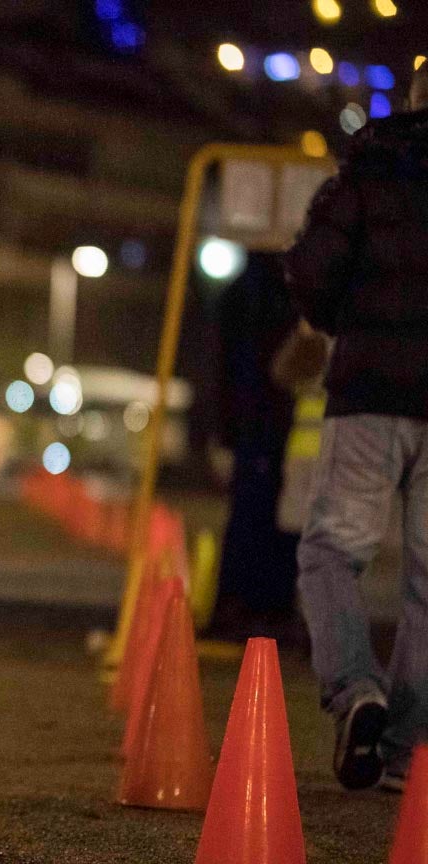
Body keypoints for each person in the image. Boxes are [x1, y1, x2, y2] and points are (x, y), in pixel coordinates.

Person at [286, 63, 428, 793]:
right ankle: (409, 755)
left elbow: (312, 270)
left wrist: (351, 325)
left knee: (331, 554)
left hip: (371, 389)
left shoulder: (372, 169)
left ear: (416, 95)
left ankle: (356, 689)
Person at [209, 253, 301, 639]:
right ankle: (261, 609)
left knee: (260, 516)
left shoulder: (247, 293)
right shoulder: (282, 295)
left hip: (260, 430)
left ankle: (248, 608)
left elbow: (220, 368)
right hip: (268, 428)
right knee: (269, 519)